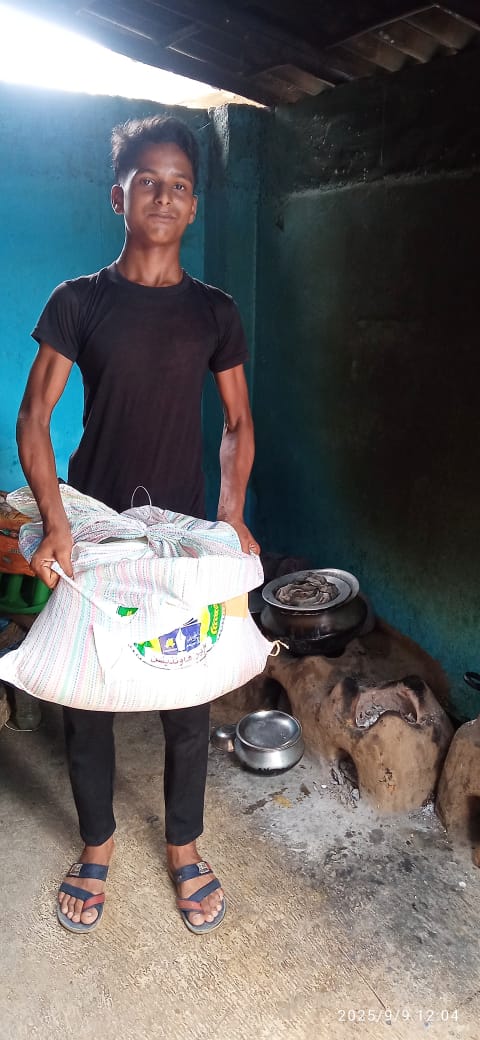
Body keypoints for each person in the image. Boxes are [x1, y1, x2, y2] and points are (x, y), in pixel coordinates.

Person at [16, 115, 260, 936]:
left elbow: (237, 424)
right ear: (118, 195)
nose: (164, 195)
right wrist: (57, 523)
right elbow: (34, 418)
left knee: (187, 694)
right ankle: (98, 843)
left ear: (193, 206)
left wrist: (228, 518)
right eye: (147, 180)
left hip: (181, 535)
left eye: (180, 185)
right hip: (96, 527)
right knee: (89, 695)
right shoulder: (79, 301)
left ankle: (184, 845)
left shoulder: (215, 312)